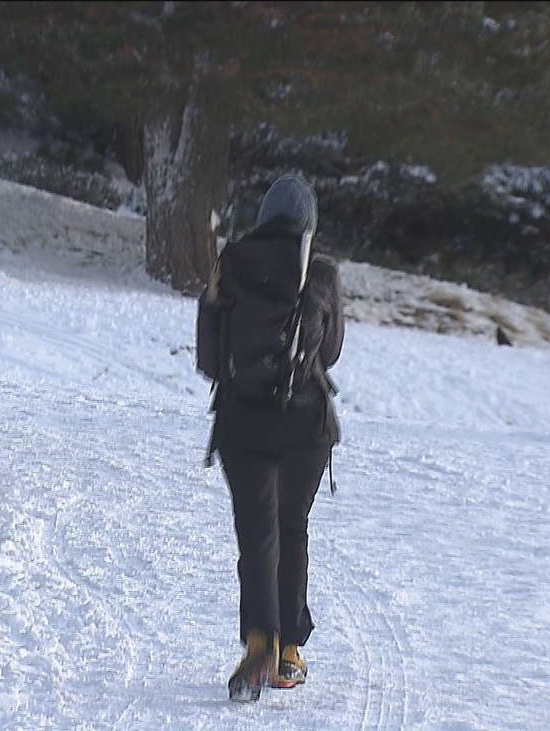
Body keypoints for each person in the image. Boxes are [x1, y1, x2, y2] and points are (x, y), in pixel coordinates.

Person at [195, 174, 344, 701]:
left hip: (244, 424)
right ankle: (289, 655)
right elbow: (329, 354)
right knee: (292, 528)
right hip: (305, 425)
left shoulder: (230, 264)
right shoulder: (320, 273)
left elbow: (211, 362)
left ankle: (261, 639)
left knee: (258, 533)